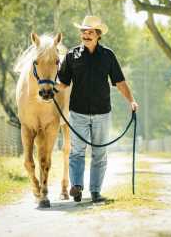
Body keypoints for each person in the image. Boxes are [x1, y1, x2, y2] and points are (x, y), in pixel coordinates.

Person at [57, 15, 138, 203]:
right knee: (77, 151)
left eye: (90, 32)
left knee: (99, 153)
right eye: (83, 31)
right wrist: (49, 89)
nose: (85, 35)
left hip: (102, 112)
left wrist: (132, 101)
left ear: (98, 35)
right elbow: (63, 82)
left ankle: (95, 192)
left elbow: (120, 82)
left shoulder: (108, 56)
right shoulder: (71, 55)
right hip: (78, 112)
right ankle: (77, 186)